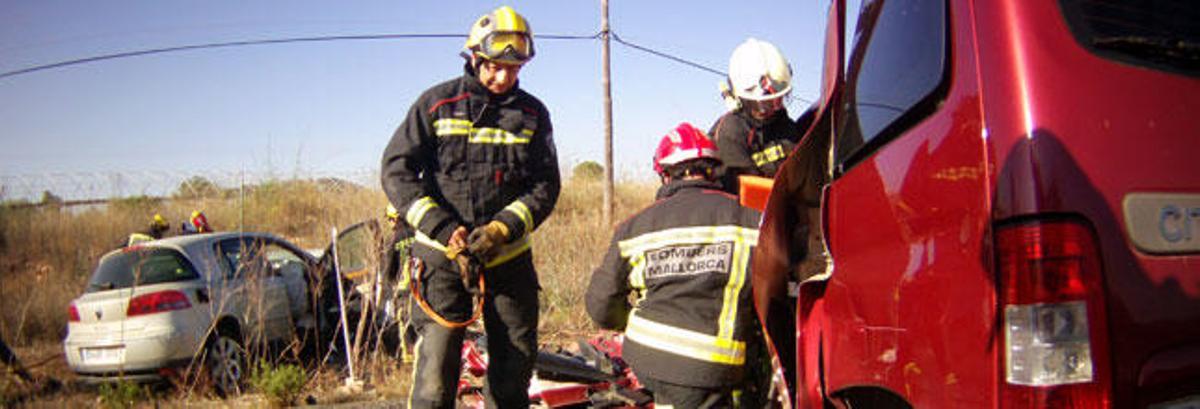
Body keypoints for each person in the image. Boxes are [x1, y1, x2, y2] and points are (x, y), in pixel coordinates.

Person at [380, 6, 560, 408]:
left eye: (514, 70)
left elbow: (545, 185)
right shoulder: (437, 104)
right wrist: (444, 229)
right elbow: (396, 171)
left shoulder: (532, 114)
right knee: (435, 380)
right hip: (441, 261)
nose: (504, 78)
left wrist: (501, 230)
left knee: (513, 371)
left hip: (508, 260)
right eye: (495, 67)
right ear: (475, 57)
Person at [586, 123, 761, 408]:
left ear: (665, 175)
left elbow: (600, 306)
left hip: (648, 357)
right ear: (713, 171)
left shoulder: (634, 226)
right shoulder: (752, 220)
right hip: (714, 365)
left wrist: (633, 320)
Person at [710, 38, 810, 193]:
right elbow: (745, 193)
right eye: (757, 103)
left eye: (775, 101)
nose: (766, 109)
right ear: (740, 98)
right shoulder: (730, 133)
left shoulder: (785, 125)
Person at [379, 204, 417, 362]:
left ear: (394, 218)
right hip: (422, 285)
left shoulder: (393, 239)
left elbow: (388, 269)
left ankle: (408, 355)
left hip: (404, 288)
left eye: (389, 219)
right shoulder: (417, 233)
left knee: (405, 322)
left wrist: (387, 289)